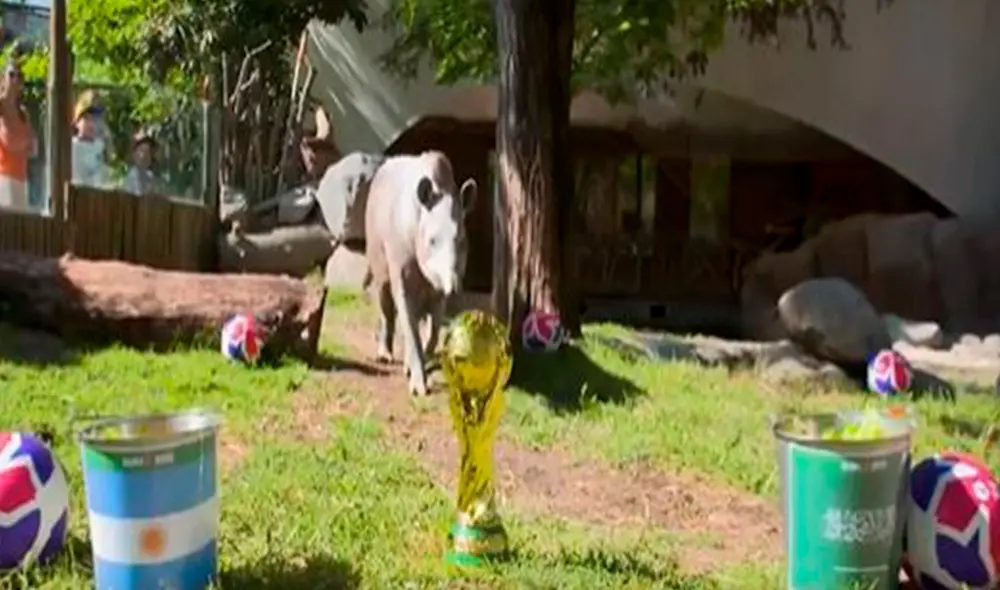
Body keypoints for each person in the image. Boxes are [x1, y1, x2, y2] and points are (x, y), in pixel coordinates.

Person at [0, 62, 36, 212]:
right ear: (2, 79)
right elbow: (12, 143)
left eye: (20, 76)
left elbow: (33, 148)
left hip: (21, 180)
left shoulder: (23, 113)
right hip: (2, 181)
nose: (15, 80)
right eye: (11, 75)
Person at [71, 91, 111, 189]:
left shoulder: (101, 146)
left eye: (96, 119)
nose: (92, 124)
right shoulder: (72, 146)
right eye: (87, 118)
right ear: (77, 122)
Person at [123, 131, 164, 196]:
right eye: (140, 151)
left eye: (146, 152)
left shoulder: (156, 178)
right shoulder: (133, 174)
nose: (142, 156)